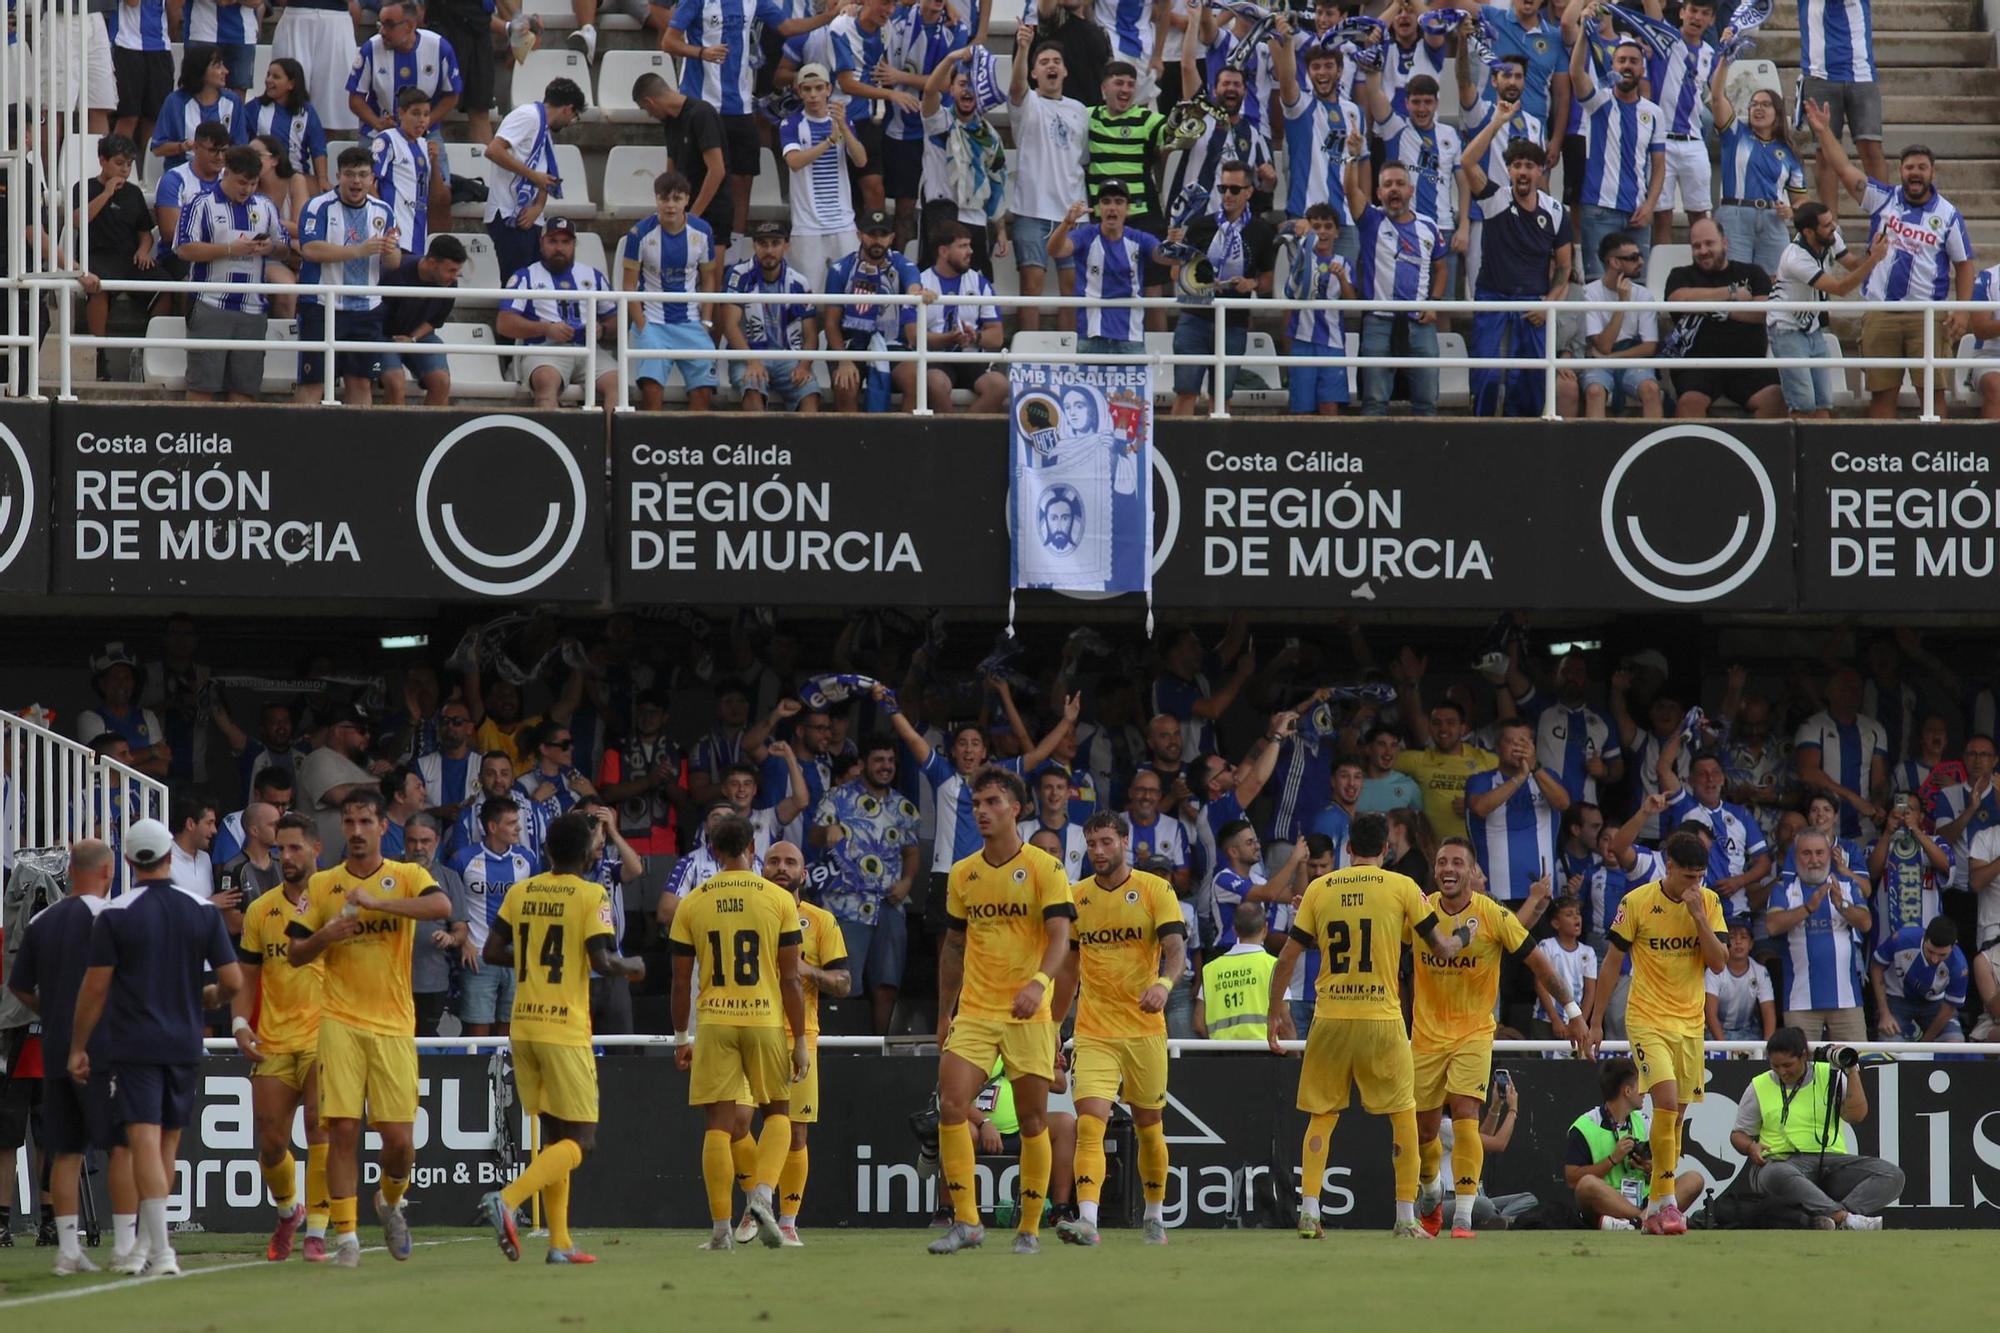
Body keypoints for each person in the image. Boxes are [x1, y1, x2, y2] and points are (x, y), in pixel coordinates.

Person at [1266, 812, 1475, 1238]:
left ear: (1347, 849)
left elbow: (1288, 956)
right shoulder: (1402, 887)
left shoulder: (1319, 889)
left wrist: (1274, 1012)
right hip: (1380, 1015)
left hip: (1330, 1017)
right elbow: (1446, 948)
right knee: (1403, 1114)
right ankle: (1404, 1218)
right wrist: (1466, 935)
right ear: (1386, 849)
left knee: (1322, 1116)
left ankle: (1308, 1210)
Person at [68, 818, 243, 1277]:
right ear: (169, 854)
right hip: (185, 1040)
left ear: (127, 860)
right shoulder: (202, 910)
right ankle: (150, 1244)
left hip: (135, 1042)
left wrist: (79, 1045)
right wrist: (210, 999)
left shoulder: (116, 913)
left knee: (143, 1139)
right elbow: (232, 981)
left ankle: (160, 1249)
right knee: (167, 1144)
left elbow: (95, 989)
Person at [284, 789, 451, 1268]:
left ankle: (390, 1201)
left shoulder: (408, 876)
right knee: (341, 1130)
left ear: (383, 827)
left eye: (365, 822)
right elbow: (295, 953)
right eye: (349, 822)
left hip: (395, 1023)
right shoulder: (322, 886)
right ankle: (347, 1239)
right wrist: (325, 935)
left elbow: (441, 908)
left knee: (400, 1142)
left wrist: (380, 905)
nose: (355, 832)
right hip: (338, 1019)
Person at [475, 812, 643, 1264]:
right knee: (582, 1140)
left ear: (548, 850)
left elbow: (491, 951)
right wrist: (635, 966)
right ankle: (507, 1200)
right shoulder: (593, 895)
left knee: (554, 1137)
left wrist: (532, 955)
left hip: (524, 1024)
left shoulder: (522, 890)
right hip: (564, 1029)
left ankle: (560, 1243)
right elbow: (604, 962)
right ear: (590, 853)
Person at [929, 767, 1075, 1255]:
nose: (982, 811)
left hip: (1028, 1013)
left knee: (1034, 1120)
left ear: (1017, 808)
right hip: (974, 1009)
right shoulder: (963, 873)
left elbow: (1060, 937)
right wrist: (945, 1009)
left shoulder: (1045, 868)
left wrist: (1039, 983)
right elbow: (953, 946)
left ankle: (1030, 1228)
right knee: (950, 1107)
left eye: (992, 802)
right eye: (976, 804)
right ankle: (967, 1222)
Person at [1412, 840, 1584, 1237]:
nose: (1448, 868)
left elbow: (1539, 964)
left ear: (1473, 872)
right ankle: (1431, 1191)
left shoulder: (1493, 915)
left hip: (1473, 1031)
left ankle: (1462, 1217)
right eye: (1441, 862)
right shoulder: (1419, 910)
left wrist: (1573, 1012)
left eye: (1457, 862)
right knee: (1424, 1131)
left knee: (1467, 1116)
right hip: (1425, 1035)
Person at [668, 813, 809, 1251]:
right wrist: (800, 1038)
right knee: (779, 1112)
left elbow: (679, 980)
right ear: (753, 847)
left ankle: (720, 1231)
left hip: (713, 1019)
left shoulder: (692, 901)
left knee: (718, 1125)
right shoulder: (779, 900)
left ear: (712, 850)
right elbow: (791, 979)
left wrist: (680, 1037)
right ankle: (764, 1195)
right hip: (765, 1019)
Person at [1049, 811, 1183, 1247]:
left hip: (1145, 1029)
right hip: (1094, 1030)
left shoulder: (1153, 889)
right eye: (1092, 844)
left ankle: (1154, 1214)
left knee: (1149, 1126)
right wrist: (1052, 1023)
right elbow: (1068, 970)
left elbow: (1176, 949)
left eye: (1107, 842)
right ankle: (1088, 1219)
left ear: (1125, 841)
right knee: (1090, 1123)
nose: (1099, 852)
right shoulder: (1076, 897)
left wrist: (1163, 983)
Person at [1585, 830, 1726, 1234]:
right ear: (1668, 867)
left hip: (1690, 1023)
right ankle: (1666, 1205)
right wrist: (1595, 1021)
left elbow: (1717, 964)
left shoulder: (1710, 904)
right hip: (1647, 1018)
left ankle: (1652, 1209)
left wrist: (1699, 917)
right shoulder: (1637, 903)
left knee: (1675, 1118)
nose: (1693, 885)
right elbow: (1612, 962)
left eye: (1699, 877)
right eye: (1687, 877)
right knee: (1664, 1102)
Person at [1805, 102, 1972, 420]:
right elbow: (1843, 169)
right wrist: (1824, 130)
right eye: (1910, 167)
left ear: (1932, 172)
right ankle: (1880, 464)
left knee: (1932, 398)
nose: (1915, 173)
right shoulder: (1882, 198)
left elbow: (1964, 265)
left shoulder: (1948, 215)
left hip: (1928, 314)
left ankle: (1937, 461)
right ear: (1901, 171)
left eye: (1922, 167)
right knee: (1882, 396)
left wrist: (1962, 310)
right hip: (1880, 311)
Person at [4, 840, 118, 1275]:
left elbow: (16, 985)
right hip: (101, 1044)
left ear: (69, 871)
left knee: (64, 1148)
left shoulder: (42, 921)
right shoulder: (111, 917)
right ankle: (130, 1244)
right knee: (123, 1147)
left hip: (53, 1044)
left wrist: (47, 1010)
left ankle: (67, 1250)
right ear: (107, 870)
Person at [229, 812, 332, 1262]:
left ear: (316, 850)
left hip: (327, 1036)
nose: (285, 857)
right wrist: (239, 1023)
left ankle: (318, 1231)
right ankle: (290, 1210)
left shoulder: (338, 900)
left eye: (294, 849)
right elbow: (248, 975)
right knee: (271, 1143)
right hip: (274, 1037)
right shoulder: (261, 909)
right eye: (279, 850)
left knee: (320, 1129)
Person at [752, 840, 847, 1245]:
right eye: (773, 861)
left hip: (800, 1035)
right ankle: (750, 1211)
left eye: (790, 862)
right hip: (752, 1029)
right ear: (761, 868)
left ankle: (787, 1221)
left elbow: (843, 984)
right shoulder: (748, 914)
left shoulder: (821, 921)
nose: (781, 867)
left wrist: (807, 969)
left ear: (803, 874)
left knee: (796, 1133)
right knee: (739, 1126)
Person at [1459, 101, 1572, 418]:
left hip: (1532, 302)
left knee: (1533, 379)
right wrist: (1496, 121)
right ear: (1509, 170)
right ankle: (1480, 431)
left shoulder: (1556, 211)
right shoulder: (1495, 199)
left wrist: (1547, 303)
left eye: (1529, 166)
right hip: (1493, 297)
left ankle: (1525, 442)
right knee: (1488, 377)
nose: (1523, 171)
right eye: (1517, 165)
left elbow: (1565, 267)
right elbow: (1467, 161)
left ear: (1540, 171)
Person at [1730, 1027, 1903, 1229]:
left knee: (1893, 1175)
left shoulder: (1830, 1074)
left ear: (1803, 1056)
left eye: (1787, 1065)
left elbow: (1857, 1115)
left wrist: (1852, 1069)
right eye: (1775, 1065)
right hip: (1781, 1160)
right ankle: (1843, 1218)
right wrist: (1751, 1147)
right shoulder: (1759, 1084)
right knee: (1775, 1173)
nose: (1782, 1072)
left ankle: (1833, 1217)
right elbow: (1738, 1135)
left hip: (1830, 1161)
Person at [809, 735, 920, 1034]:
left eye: (890, 761)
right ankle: (843, 1049)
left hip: (889, 904)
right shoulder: (837, 797)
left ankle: (879, 1053)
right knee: (843, 983)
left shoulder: (904, 807)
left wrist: (908, 881)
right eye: (878, 760)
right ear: (863, 764)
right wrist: (828, 828)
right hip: (846, 904)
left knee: (887, 984)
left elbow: (911, 852)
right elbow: (814, 838)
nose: (885, 767)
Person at [174, 144, 288, 405]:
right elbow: (184, 249)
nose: (247, 189)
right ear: (225, 173)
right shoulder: (200, 203)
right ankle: (197, 443)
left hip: (253, 308)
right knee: (202, 385)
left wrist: (271, 247)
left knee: (245, 389)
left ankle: (238, 443)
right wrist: (228, 249)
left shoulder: (266, 205)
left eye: (253, 183)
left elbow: (285, 249)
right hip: (210, 302)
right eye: (241, 182)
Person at [1165, 159, 1276, 416]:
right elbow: (1175, 272)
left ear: (1249, 191)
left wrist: (1252, 283)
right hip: (1195, 315)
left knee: (1221, 397)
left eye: (1234, 189)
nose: (1227, 194)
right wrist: (1195, 277)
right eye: (1222, 188)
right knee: (1185, 392)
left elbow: (1268, 279)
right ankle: (1177, 453)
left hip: (1234, 320)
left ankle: (1216, 452)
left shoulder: (1262, 231)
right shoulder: (1200, 225)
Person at [295, 147, 401, 406]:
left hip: (366, 309)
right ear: (338, 176)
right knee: (314, 382)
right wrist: (357, 251)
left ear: (372, 178)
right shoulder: (317, 206)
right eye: (350, 174)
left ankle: (358, 444)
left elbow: (395, 261)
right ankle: (297, 443)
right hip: (322, 305)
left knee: (360, 381)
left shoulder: (383, 210)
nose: (356, 181)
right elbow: (309, 249)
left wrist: (387, 251)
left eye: (363, 175)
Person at [1343, 155, 1443, 417]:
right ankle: (1372, 456)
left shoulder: (1428, 226)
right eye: (1388, 185)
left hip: (1419, 322)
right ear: (1379, 192)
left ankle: (1428, 456)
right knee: (1374, 401)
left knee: (1427, 399)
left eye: (1400, 183)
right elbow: (1350, 190)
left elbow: (1442, 267)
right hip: (1379, 321)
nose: (1394, 189)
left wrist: (1434, 304)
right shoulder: (1370, 221)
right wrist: (1352, 157)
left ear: (1410, 190)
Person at [1768, 201, 1887, 418]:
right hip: (1786, 329)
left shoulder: (1831, 238)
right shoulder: (1796, 258)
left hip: (1812, 327)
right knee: (1802, 404)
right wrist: (1874, 260)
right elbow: (1840, 289)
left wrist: (1871, 253)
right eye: (1826, 225)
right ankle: (1800, 450)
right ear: (1808, 232)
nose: (1833, 228)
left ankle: (1819, 450)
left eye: (1832, 222)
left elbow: (1853, 265)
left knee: (1824, 403)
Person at [1662, 218, 1785, 419]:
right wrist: (1731, 292)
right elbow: (1679, 299)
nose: (1702, 251)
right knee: (1689, 403)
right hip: (1697, 365)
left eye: (1709, 243)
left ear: (1725, 243)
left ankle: (1758, 451)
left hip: (1747, 364)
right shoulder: (1680, 274)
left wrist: (1713, 308)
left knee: (1775, 398)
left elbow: (1764, 312)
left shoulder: (1752, 272)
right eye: (1696, 246)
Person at [1565, 30, 1663, 281]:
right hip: (1600, 211)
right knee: (1598, 286)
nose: (1627, 66)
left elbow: (1659, 167)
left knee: (1637, 287)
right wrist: (1586, 31)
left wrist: (1650, 205)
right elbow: (1576, 73)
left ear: (1643, 69)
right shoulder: (1599, 101)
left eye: (1633, 61)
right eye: (1621, 61)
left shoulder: (1653, 113)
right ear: (1612, 66)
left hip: (1637, 212)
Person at [1009, 30, 1090, 332]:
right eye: (1043, 62)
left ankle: (1066, 357)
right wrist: (1023, 46)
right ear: (1034, 72)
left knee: (1072, 291)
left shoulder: (1080, 110)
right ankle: (1027, 360)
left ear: (1065, 70)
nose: (1051, 66)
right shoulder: (1026, 102)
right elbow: (1016, 86)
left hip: (1072, 213)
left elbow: (1081, 159)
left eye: (1056, 61)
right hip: (1032, 211)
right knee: (1031, 288)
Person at [622, 169, 721, 412]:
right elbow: (628, 286)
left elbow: (709, 278)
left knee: (703, 390)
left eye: (676, 199)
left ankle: (694, 448)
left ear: (687, 200)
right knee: (652, 387)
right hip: (653, 324)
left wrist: (706, 321)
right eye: (664, 199)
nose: (670, 205)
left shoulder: (703, 231)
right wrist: (642, 325)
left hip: (691, 323)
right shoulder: (639, 234)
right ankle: (653, 446)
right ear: (656, 199)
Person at [1566, 1058, 1703, 1229]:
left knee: (1694, 1179)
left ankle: (1637, 1221)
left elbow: (1662, 1171)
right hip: (1609, 1201)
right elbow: (1572, 1179)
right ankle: (1645, 1220)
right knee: (1587, 1185)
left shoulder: (1645, 1122)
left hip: (1645, 1199)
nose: (1645, 1091)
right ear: (1628, 1091)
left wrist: (1650, 1168)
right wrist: (1612, 1160)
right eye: (1641, 1085)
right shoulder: (1585, 1126)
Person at [497, 217, 619, 409]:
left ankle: (611, 440)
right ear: (541, 242)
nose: (559, 248)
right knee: (546, 383)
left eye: (565, 242)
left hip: (589, 350)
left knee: (618, 385)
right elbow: (504, 323)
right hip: (545, 350)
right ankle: (548, 439)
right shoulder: (525, 276)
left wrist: (602, 330)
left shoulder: (594, 276)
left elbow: (615, 320)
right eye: (553, 241)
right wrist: (546, 329)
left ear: (574, 244)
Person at [451, 795, 542, 1037]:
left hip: (515, 957)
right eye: (512, 823)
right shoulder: (463, 859)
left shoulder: (527, 860)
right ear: (492, 827)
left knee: (510, 1031)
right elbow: (451, 904)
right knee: (478, 1030)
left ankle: (505, 1076)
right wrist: (464, 942)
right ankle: (478, 1076)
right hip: (478, 956)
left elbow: (535, 907)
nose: (518, 828)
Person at [483, 78, 587, 284]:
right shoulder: (528, 116)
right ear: (568, 109)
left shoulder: (543, 128)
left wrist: (538, 207)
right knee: (516, 285)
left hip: (529, 216)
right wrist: (533, 176)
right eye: (574, 117)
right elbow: (493, 150)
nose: (569, 123)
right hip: (508, 212)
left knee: (533, 286)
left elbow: (544, 172)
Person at [1708, 54, 1804, 274]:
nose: (1758, 109)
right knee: (1736, 280)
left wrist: (1792, 210)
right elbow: (1716, 98)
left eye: (1766, 105)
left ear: (1778, 113)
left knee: (1774, 284)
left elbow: (1801, 198)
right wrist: (1725, 60)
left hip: (1773, 220)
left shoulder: (1789, 152)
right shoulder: (1735, 134)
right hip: (1735, 215)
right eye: (1754, 105)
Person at [1464, 716, 1571, 904]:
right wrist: (1519, 778)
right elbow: (1480, 808)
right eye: (1510, 741)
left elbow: (1563, 803)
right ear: (1497, 747)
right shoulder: (1481, 780)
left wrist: (1534, 768)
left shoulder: (1547, 778)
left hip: (1543, 894)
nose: (1518, 747)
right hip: (1493, 895)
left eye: (1523, 741)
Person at [720, 220, 822, 413]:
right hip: (748, 354)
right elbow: (729, 325)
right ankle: (761, 444)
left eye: (775, 243)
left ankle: (804, 444)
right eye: (763, 244)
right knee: (752, 390)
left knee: (810, 395)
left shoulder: (799, 282)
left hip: (789, 356)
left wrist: (804, 366)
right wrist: (753, 361)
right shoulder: (738, 275)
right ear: (754, 245)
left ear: (786, 245)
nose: (769, 250)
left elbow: (810, 334)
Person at [780, 63, 866, 290]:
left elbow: (861, 160)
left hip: (843, 223)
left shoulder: (842, 121)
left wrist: (844, 130)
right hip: (807, 226)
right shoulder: (791, 123)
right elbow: (794, 162)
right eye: (807, 90)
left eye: (818, 88)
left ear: (828, 89)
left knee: (850, 292)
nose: (813, 95)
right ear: (799, 91)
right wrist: (828, 141)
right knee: (809, 296)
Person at [1048, 183, 1159, 358]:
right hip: (1091, 335)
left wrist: (1174, 242)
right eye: (1106, 202)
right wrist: (1067, 223)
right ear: (1099, 208)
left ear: (1127, 208)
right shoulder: (1085, 235)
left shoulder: (1139, 238)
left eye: (1118, 201)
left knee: (1131, 387)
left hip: (1131, 337)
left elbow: (1163, 256)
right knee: (1087, 387)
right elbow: (1055, 250)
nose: (1112, 207)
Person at [1796, 0, 1884, 209]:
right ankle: (1830, 228)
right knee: (1825, 152)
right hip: (1818, 71)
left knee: (1871, 146)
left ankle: (1884, 218)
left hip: (1861, 71)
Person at [1643, 0, 1716, 247]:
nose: (1697, 18)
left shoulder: (1711, 54)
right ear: (1682, 12)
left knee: (1699, 214)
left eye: (1704, 13)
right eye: (1693, 11)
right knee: (1662, 216)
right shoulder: (1666, 39)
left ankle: (1702, 273)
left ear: (1712, 20)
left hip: (1694, 141)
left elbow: (1720, 94)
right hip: (1661, 141)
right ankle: (1660, 277)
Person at [917, 221, 1009, 413]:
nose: (970, 252)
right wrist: (947, 339)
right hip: (936, 358)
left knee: (1000, 385)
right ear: (943, 251)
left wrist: (976, 336)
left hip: (970, 356)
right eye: (962, 246)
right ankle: (955, 436)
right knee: (935, 383)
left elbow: (997, 336)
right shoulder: (920, 283)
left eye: (970, 245)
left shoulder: (980, 283)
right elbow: (913, 337)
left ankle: (958, 434)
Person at [346, 1, 461, 137]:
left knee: (435, 157)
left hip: (426, 133)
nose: (382, 31)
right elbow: (355, 100)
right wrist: (378, 124)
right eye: (380, 24)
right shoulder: (370, 49)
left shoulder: (439, 47)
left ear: (409, 26)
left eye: (389, 25)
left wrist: (424, 124)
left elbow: (452, 96)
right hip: (378, 134)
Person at [1577, 233, 1661, 417]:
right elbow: (1603, 345)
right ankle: (1595, 444)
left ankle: (1655, 445)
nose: (1640, 262)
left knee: (1651, 389)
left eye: (1640, 256)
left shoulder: (1644, 295)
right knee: (1594, 391)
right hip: (1598, 360)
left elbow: (1649, 347)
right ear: (1613, 263)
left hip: (1628, 357)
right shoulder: (1588, 294)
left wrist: (1613, 358)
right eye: (1633, 258)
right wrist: (1622, 304)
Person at [379, 234, 464, 407]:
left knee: (441, 382)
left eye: (457, 271)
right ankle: (391, 433)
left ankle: (432, 434)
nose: (454, 277)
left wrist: (413, 339)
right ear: (432, 263)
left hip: (420, 336)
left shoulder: (449, 284)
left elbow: (435, 320)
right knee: (395, 384)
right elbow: (372, 312)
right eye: (451, 270)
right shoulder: (394, 272)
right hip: (381, 335)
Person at [370, 88, 444, 262]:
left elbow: (437, 197)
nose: (422, 120)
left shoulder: (425, 145)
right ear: (401, 113)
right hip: (393, 236)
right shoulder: (387, 139)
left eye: (426, 114)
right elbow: (368, 184)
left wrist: (435, 162)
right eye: (415, 113)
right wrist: (385, 220)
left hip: (419, 235)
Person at [1871, 915, 1967, 1042]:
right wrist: (1884, 1013)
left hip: (1935, 1004)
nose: (1935, 959)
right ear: (1924, 937)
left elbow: (1949, 1008)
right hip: (1897, 1000)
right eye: (1930, 951)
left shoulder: (1959, 966)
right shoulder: (1902, 939)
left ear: (1954, 945)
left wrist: (1925, 1044)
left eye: (1942, 954)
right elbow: (1876, 967)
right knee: (1891, 1044)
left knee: (1954, 1042)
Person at [151, 44, 244, 171]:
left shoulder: (232, 101)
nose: (225, 71)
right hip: (182, 173)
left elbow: (241, 146)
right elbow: (158, 148)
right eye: (218, 66)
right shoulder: (175, 102)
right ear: (200, 70)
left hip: (222, 176)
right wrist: (183, 147)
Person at [1534, 894, 1600, 1039]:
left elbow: (1590, 991)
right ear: (1556, 923)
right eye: (1569, 915)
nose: (1576, 918)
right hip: (1546, 1020)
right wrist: (1555, 1019)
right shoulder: (1547, 946)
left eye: (1578, 914)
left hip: (1574, 1023)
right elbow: (1540, 984)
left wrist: (1580, 1021)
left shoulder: (1588, 953)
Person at [1706, 917, 1777, 1043]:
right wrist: (1725, 1048)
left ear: (1751, 944)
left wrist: (1767, 1047)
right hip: (1717, 1033)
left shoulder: (1760, 971)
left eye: (1744, 937)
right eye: (1732, 937)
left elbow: (1768, 1011)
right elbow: (1710, 1014)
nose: (1738, 942)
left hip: (1748, 1031)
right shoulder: (1714, 970)